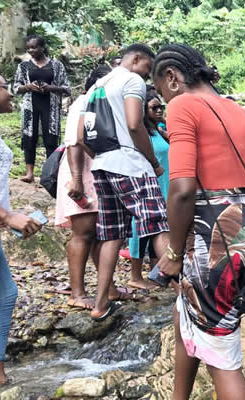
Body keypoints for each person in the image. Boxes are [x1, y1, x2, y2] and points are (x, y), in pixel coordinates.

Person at [152, 44, 245, 400]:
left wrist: (171, 252)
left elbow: (183, 190)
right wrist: (239, 198)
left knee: (224, 359)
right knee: (186, 313)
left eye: (159, 89)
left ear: (172, 77)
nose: (161, 98)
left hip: (209, 240)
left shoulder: (182, 105)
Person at [74, 44, 172, 321]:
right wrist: (152, 161)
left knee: (111, 235)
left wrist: (103, 156)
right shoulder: (131, 80)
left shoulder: (95, 88)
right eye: (148, 68)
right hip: (131, 164)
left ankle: (100, 303)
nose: (150, 75)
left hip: (103, 167)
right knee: (158, 224)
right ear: (137, 59)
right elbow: (133, 124)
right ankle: (186, 295)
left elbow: (81, 137)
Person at [0, 52, 43, 386]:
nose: (11, 92)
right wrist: (4, 213)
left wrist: (7, 217)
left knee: (4, 296)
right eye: (5, 87)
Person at [55, 65, 115, 310]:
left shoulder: (105, 105)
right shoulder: (83, 102)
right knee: (84, 231)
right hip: (81, 170)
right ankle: (77, 292)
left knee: (101, 233)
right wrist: (77, 179)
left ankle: (107, 289)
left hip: (98, 171)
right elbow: (73, 142)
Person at [126, 92, 170, 290]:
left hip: (164, 186)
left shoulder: (158, 130)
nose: (159, 110)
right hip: (145, 186)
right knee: (139, 230)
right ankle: (135, 275)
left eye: (161, 107)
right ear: (144, 110)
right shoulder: (139, 132)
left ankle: (156, 271)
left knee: (160, 229)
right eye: (154, 108)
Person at [13, 35, 70, 183]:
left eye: (34, 47)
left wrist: (51, 87)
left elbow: (66, 88)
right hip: (30, 107)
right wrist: (28, 87)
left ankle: (48, 174)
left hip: (51, 107)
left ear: (43, 47)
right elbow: (15, 88)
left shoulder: (57, 65)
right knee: (29, 138)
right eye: (28, 48)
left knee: (50, 139)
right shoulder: (23, 66)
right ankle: (29, 174)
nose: (31, 50)